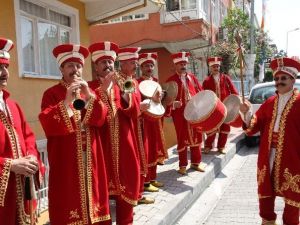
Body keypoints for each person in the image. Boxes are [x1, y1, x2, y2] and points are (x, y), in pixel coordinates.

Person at [39, 44, 110, 225]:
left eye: (78, 66)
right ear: (61, 68)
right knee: (69, 197)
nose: (75, 70)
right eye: (70, 65)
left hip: (91, 157)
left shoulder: (89, 92)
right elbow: (47, 122)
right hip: (67, 159)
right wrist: (66, 102)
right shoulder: (51, 93)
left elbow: (100, 119)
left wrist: (88, 96)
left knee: (93, 195)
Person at [240, 57, 300, 225]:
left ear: (293, 80)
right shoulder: (270, 102)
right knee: (266, 198)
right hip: (267, 157)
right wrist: (246, 113)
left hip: (293, 159)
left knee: (292, 203)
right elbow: (253, 127)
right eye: (276, 78)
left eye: (283, 78)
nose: (278, 82)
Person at [88, 42, 142, 224]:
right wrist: (103, 90)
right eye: (103, 62)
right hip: (101, 147)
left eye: (110, 61)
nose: (108, 65)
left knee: (126, 186)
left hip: (125, 145)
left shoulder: (126, 83)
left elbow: (135, 113)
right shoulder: (88, 88)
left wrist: (126, 93)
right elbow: (92, 116)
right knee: (101, 191)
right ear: (96, 66)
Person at [0, 37, 44, 224]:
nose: (4, 73)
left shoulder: (13, 105)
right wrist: (10, 165)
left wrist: (32, 158)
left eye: (6, 67)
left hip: (21, 193)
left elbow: (28, 139)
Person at [118, 47, 154, 205]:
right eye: (133, 62)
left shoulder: (130, 80)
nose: (136, 65)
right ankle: (133, 194)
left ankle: (138, 193)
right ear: (123, 63)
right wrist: (141, 108)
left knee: (139, 159)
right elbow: (129, 106)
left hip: (136, 125)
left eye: (135, 62)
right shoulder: (125, 80)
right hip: (126, 128)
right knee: (132, 161)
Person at [165, 52, 204, 175]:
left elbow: (200, 91)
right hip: (179, 115)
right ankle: (182, 165)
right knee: (182, 139)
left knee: (197, 136)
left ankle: (196, 163)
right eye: (180, 64)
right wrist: (172, 105)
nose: (183, 66)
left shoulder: (192, 78)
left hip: (194, 113)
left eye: (184, 63)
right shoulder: (170, 81)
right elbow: (164, 101)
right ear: (175, 65)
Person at [137, 52, 168, 192]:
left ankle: (153, 178)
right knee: (146, 150)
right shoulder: (137, 83)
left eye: (151, 65)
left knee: (155, 149)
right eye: (146, 66)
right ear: (141, 68)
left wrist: (161, 97)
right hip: (144, 123)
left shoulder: (156, 81)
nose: (149, 68)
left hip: (155, 121)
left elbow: (160, 102)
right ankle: (145, 182)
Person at [202, 57, 239, 154]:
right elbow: (204, 95)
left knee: (225, 127)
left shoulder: (226, 78)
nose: (216, 68)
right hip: (213, 109)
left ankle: (221, 147)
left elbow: (233, 90)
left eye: (217, 66)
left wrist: (238, 100)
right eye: (214, 66)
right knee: (211, 128)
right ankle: (208, 146)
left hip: (226, 107)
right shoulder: (206, 81)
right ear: (210, 68)